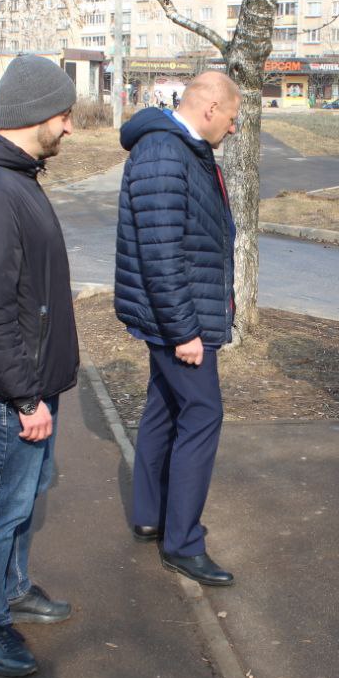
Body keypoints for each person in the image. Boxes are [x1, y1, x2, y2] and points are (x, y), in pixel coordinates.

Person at [0, 54, 81, 678]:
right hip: (15, 390)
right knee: (2, 504)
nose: (70, 129)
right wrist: (25, 399)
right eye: (65, 116)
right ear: (36, 116)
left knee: (28, 496)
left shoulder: (15, 175)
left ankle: (13, 589)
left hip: (32, 381)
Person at [114, 71, 240, 587]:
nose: (234, 130)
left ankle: (150, 514)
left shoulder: (179, 148)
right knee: (203, 412)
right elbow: (161, 254)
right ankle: (183, 542)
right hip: (179, 317)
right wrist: (185, 331)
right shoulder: (165, 153)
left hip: (177, 312)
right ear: (209, 108)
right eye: (232, 118)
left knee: (165, 405)